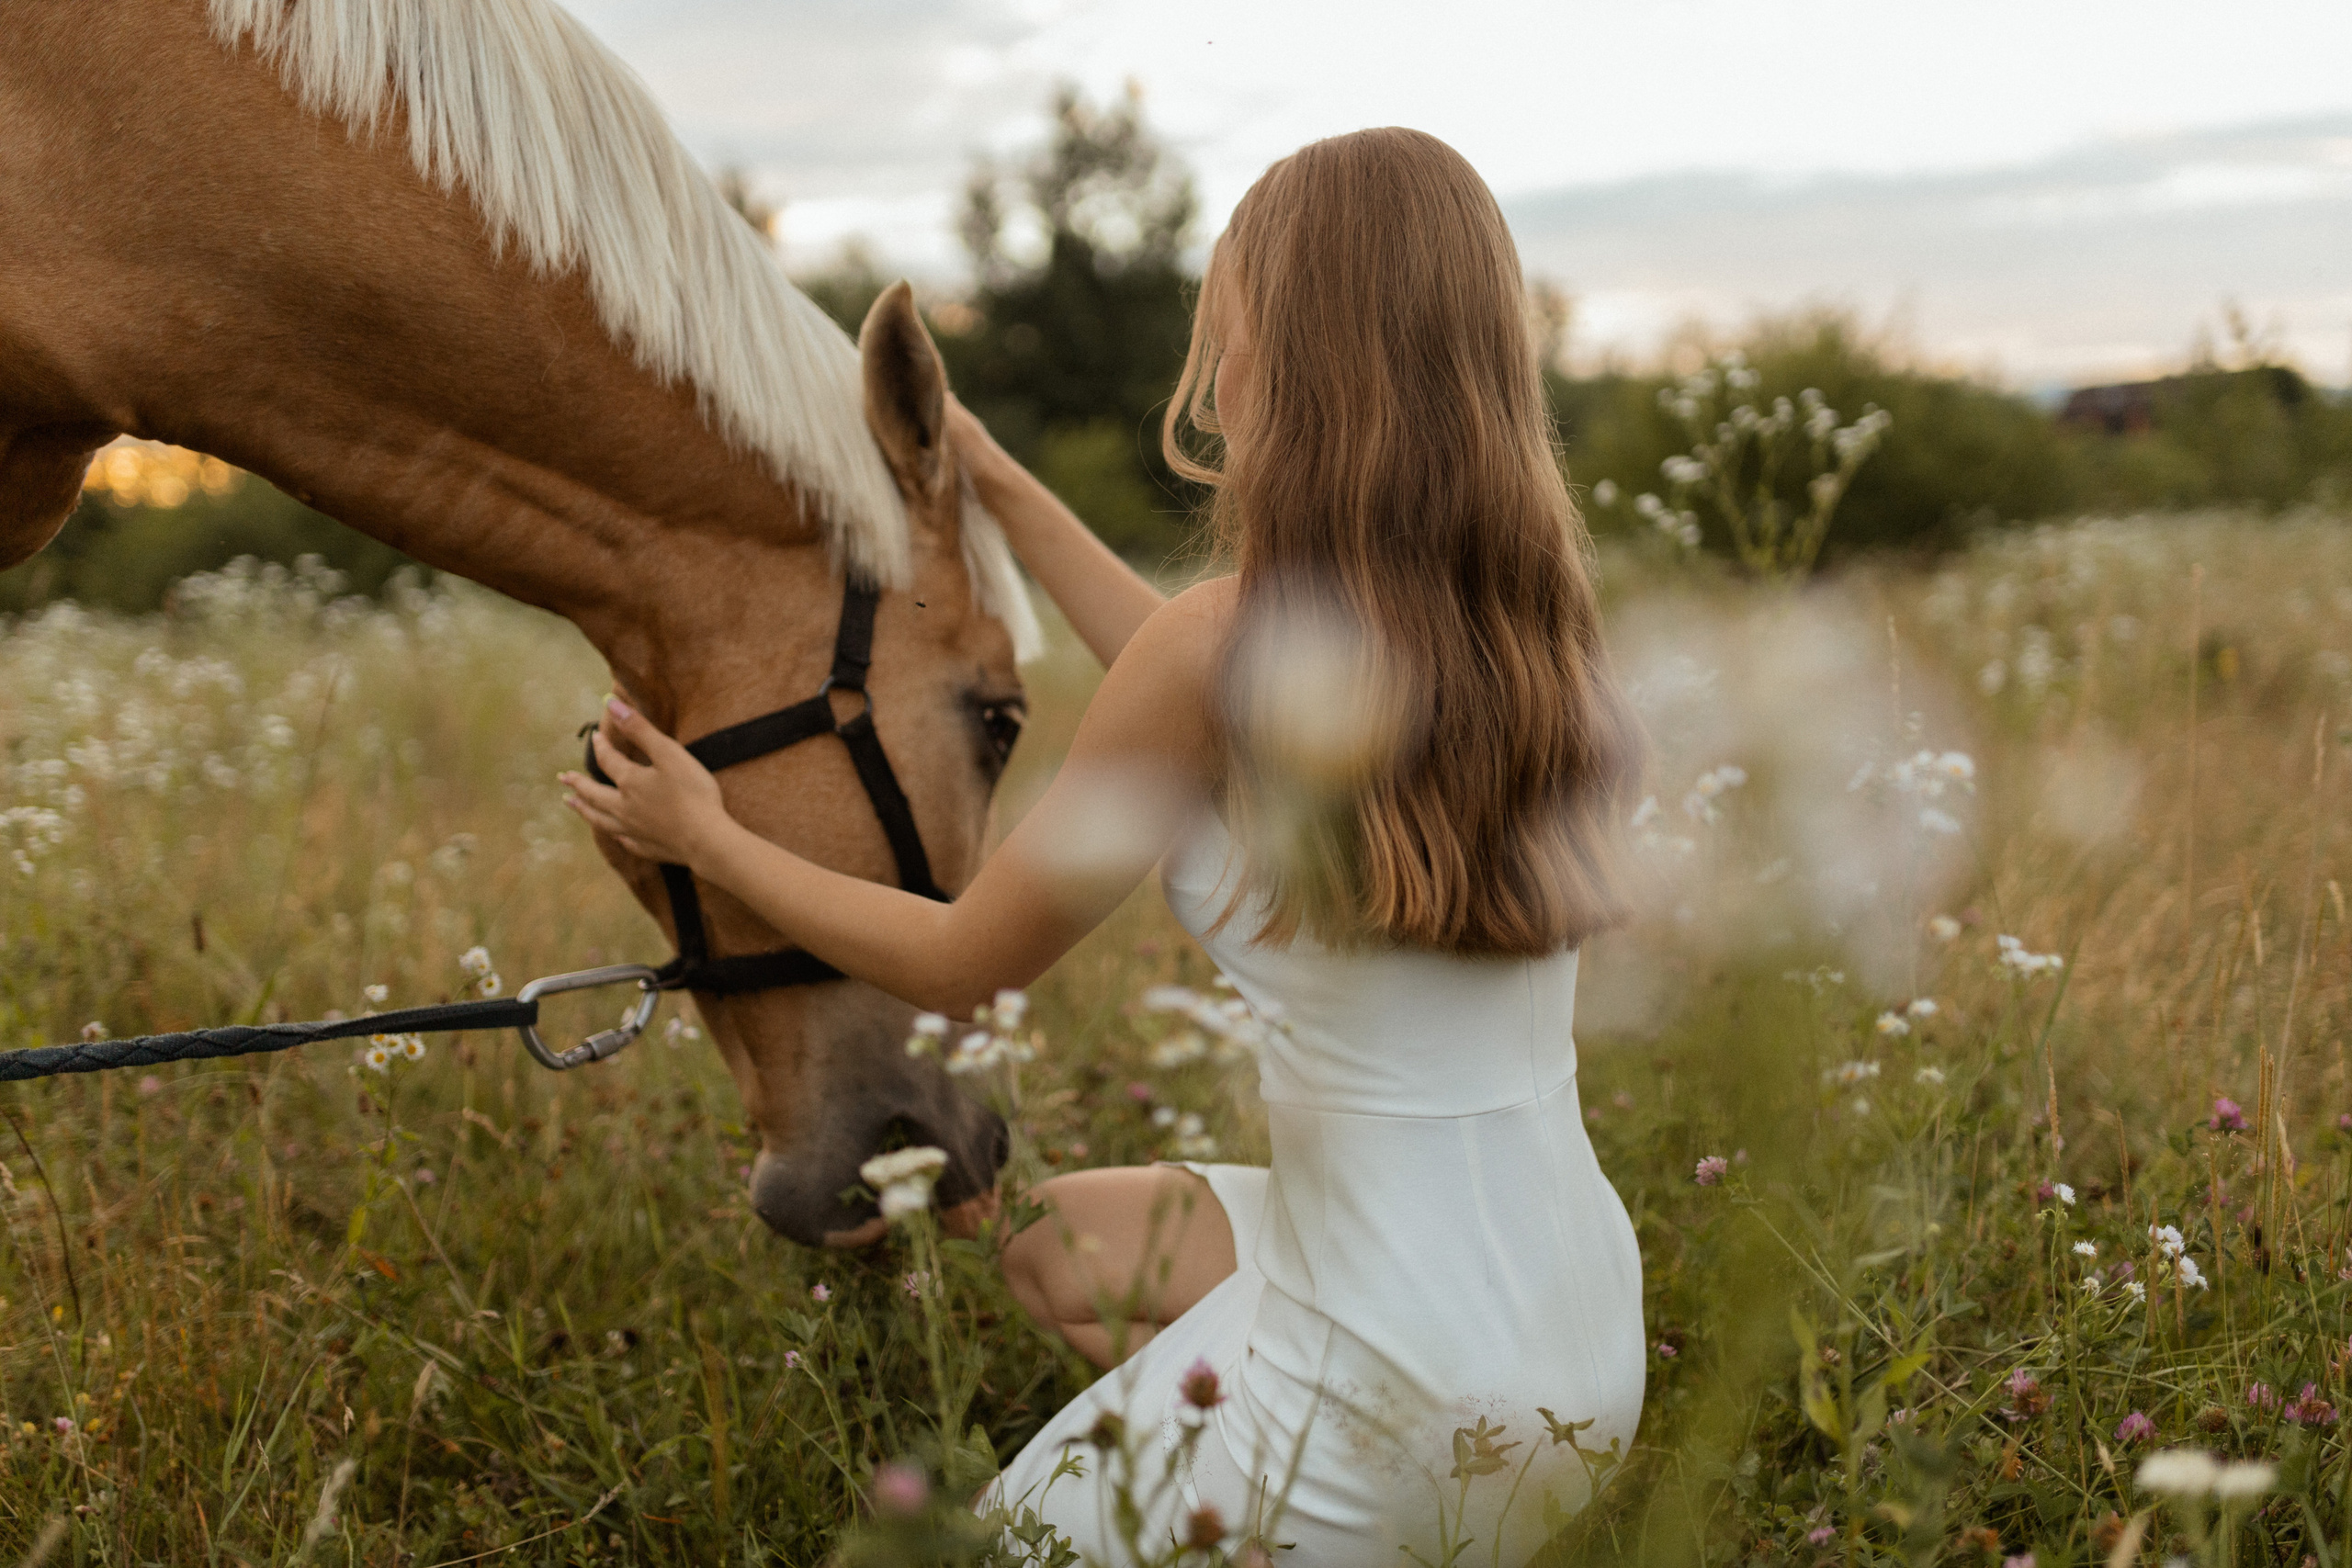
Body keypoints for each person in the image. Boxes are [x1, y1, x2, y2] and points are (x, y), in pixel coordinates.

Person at [561, 126, 1645, 1565]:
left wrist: (706, 834)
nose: (1220, 359)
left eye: (1232, 321)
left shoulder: (1229, 647)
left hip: (1398, 1389)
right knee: (1057, 1249)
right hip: (1576, 1334)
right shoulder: (1535, 638)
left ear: (1293, 357)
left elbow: (959, 960)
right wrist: (993, 484)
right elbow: (1181, 674)